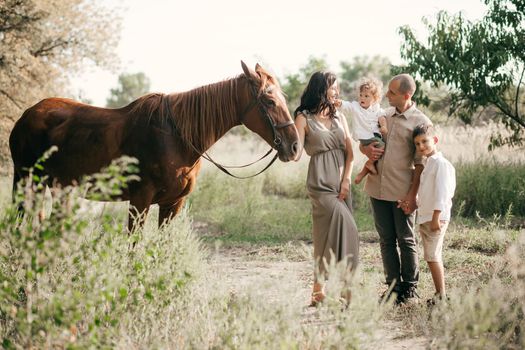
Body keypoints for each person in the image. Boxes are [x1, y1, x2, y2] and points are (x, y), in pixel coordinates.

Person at [360, 73, 432, 304]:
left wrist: (413, 194)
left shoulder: (421, 122)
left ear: (406, 95)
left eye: (391, 92)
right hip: (377, 188)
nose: (387, 95)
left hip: (402, 191)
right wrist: (366, 152)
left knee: (406, 239)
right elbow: (367, 143)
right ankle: (392, 287)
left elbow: (420, 164)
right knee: (385, 240)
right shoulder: (383, 115)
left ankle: (409, 288)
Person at [294, 71, 359, 307]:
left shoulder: (339, 116)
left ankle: (318, 292)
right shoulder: (303, 117)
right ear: (322, 88)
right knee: (349, 230)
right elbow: (296, 152)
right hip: (320, 184)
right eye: (334, 88)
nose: (337, 92)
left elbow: (350, 154)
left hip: (341, 184)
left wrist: (346, 180)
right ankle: (347, 291)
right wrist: (285, 144)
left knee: (324, 238)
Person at [412, 124, 456, 304]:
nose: (421, 146)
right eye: (417, 144)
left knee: (432, 256)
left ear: (435, 140)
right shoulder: (428, 163)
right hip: (427, 216)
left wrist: (436, 217)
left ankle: (442, 295)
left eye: (425, 141)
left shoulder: (441, 164)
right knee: (431, 256)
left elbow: (442, 193)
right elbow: (427, 192)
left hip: (435, 218)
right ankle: (440, 294)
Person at [335, 77, 390, 184]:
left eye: (366, 96)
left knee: (379, 151)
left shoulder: (377, 108)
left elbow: (382, 117)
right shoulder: (356, 106)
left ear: (375, 98)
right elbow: (347, 105)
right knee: (382, 146)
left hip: (373, 136)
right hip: (364, 138)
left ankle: (364, 171)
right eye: (360, 95)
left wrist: (384, 126)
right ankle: (369, 164)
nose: (362, 98)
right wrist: (340, 103)